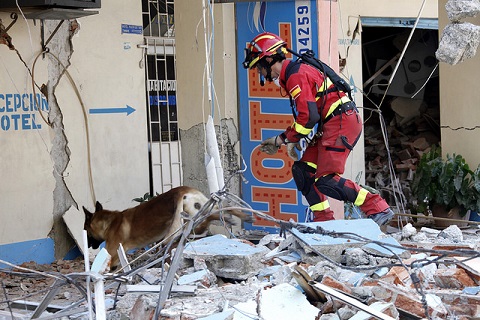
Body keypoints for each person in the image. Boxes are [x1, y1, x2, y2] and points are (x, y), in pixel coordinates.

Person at [242, 32, 394, 226]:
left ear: (269, 59)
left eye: (258, 68)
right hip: (333, 123)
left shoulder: (295, 76)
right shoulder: (293, 73)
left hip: (340, 122)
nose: (260, 74)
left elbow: (309, 116)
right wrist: (292, 138)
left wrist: (283, 140)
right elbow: (309, 116)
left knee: (326, 180)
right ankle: (323, 221)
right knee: (303, 171)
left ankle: (377, 207)